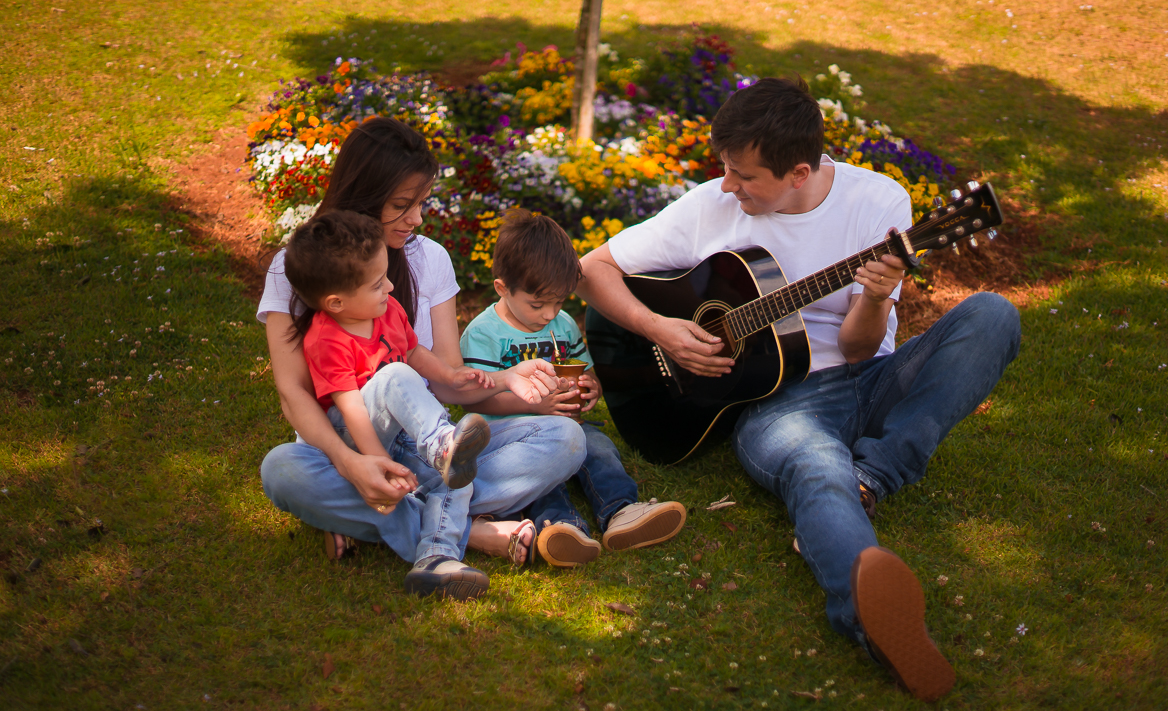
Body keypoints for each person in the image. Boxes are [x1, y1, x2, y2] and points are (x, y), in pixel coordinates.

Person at [576, 77, 1020, 701]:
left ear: (799, 171)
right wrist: (664, 332)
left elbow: (864, 348)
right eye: (725, 170)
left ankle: (874, 477)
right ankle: (869, 618)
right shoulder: (712, 206)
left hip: (872, 375)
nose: (728, 185)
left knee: (993, 315)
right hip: (782, 401)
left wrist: (874, 293)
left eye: (744, 176)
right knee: (815, 467)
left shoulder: (878, 204)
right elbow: (593, 268)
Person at [258, 117, 586, 595]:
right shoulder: (297, 269)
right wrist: (354, 465)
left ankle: (368, 515)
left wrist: (508, 378)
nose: (417, 219)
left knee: (566, 439)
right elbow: (293, 395)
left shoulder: (427, 259)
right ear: (364, 196)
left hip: (425, 447)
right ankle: (463, 532)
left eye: (422, 203)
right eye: (401, 205)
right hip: (339, 449)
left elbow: (446, 379)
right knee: (281, 470)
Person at [458, 209, 688, 567]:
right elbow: (479, 399)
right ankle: (559, 526)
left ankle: (622, 511)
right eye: (538, 304)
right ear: (503, 288)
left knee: (600, 448)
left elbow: (588, 373)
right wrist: (536, 408)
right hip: (512, 431)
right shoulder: (484, 334)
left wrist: (590, 389)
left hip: (568, 421)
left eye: (560, 302)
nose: (550, 314)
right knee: (542, 473)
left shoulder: (563, 324)